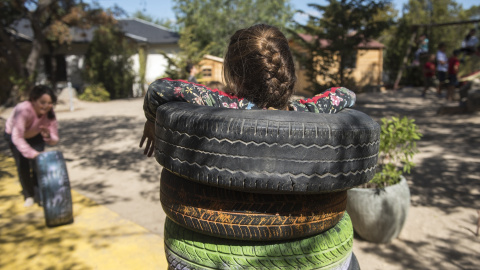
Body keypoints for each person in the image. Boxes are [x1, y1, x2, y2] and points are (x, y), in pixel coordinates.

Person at [140, 24, 356, 156]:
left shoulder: (224, 105)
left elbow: (159, 89)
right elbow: (346, 95)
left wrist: (152, 121)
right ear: (288, 70)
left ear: (235, 74)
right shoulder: (308, 112)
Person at [4, 85, 59, 207]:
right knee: (23, 165)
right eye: (42, 102)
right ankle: (29, 195)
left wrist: (48, 136)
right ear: (33, 100)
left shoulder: (49, 113)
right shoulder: (23, 110)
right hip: (15, 135)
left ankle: (39, 192)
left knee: (38, 165)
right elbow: (17, 137)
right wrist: (33, 154)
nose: (46, 106)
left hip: (35, 135)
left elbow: (55, 139)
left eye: (50, 103)